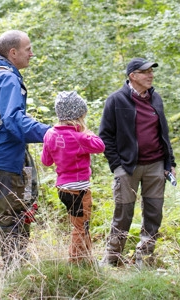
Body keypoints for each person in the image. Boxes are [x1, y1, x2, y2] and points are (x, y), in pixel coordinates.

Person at [0, 30, 51, 277]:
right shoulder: (8, 79)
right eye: (28, 49)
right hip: (5, 159)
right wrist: (49, 133)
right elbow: (14, 120)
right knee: (12, 216)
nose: (31, 53)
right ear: (13, 53)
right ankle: (14, 273)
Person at [98, 58, 176, 267]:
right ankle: (112, 258)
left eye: (151, 71)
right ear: (132, 76)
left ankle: (145, 258)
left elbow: (164, 133)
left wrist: (170, 163)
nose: (150, 75)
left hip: (156, 165)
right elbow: (105, 136)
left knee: (154, 213)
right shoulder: (116, 100)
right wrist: (117, 166)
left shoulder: (156, 98)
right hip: (127, 167)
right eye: (145, 72)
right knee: (123, 213)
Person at [41, 91, 106, 265]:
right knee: (80, 226)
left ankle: (88, 259)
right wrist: (87, 131)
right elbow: (100, 146)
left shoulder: (49, 134)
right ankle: (75, 263)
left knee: (81, 224)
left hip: (63, 189)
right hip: (79, 190)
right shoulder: (80, 136)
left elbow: (46, 161)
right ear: (79, 115)